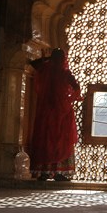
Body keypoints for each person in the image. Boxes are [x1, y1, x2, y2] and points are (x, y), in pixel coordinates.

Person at [29, 48, 82, 181]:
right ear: (64, 59)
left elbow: (34, 63)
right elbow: (76, 87)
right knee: (61, 140)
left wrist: (48, 59)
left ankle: (45, 172)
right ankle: (59, 173)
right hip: (61, 111)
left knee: (46, 139)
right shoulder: (65, 73)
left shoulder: (45, 70)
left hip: (47, 111)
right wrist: (69, 98)